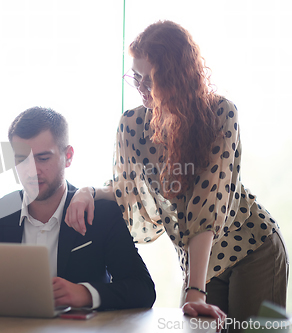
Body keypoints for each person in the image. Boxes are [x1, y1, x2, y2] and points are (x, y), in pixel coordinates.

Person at [65, 20, 288, 330]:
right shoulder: (131, 125)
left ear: (174, 77)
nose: (140, 88)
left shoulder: (221, 114)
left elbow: (207, 203)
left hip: (253, 247)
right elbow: (127, 188)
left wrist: (194, 290)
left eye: (149, 80)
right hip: (201, 263)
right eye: (136, 78)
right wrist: (86, 190)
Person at [0, 107, 156, 310]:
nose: (31, 170)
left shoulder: (101, 214)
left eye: (43, 158)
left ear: (68, 156)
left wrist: (85, 294)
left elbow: (143, 289)